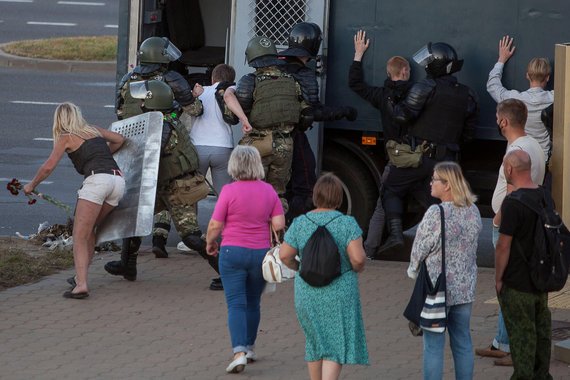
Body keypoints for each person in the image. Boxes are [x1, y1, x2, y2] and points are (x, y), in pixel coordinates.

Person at [104, 80, 220, 289]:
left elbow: (148, 157)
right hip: (166, 184)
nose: (140, 105)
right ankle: (127, 264)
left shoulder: (162, 128)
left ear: (153, 103)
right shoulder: (165, 120)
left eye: (144, 102)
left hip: (178, 186)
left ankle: (228, 274)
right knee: (135, 218)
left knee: (191, 237)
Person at [24, 102, 126, 299]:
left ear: (59, 120)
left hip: (97, 181)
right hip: (117, 181)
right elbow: (119, 139)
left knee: (79, 235)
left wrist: (31, 185)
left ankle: (81, 285)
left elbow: (48, 167)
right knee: (89, 232)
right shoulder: (93, 130)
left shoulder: (66, 137)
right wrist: (101, 154)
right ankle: (81, 276)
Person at [385, 42, 478, 254]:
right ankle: (441, 246)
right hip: (448, 162)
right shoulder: (469, 94)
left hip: (420, 157)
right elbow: (469, 134)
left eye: (429, 62)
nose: (426, 66)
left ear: (436, 65)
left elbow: (402, 116)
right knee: (440, 204)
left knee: (392, 187)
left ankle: (396, 235)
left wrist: (391, 100)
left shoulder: (425, 87)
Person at [476, 98, 545, 366]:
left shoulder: (516, 153)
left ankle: (515, 349)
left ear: (504, 121)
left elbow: (514, 191)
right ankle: (501, 343)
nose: (495, 121)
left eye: (496, 117)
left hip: (510, 225)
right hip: (524, 222)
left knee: (509, 287)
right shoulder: (532, 146)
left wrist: (497, 221)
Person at [279, 173, 369, 380]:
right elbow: (358, 259)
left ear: (316, 195)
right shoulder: (347, 223)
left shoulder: (300, 222)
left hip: (307, 290)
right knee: (335, 342)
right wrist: (355, 269)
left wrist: (299, 268)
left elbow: (285, 255)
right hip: (340, 290)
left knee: (314, 339)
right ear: (338, 197)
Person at [205, 146, 285, 374]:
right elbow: (278, 224)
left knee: (236, 304)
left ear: (234, 165)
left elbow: (215, 225)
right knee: (253, 302)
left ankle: (238, 352)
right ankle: (249, 348)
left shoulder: (229, 191)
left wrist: (211, 242)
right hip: (260, 254)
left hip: (232, 253)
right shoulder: (269, 191)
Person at [151, 63, 238, 265]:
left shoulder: (200, 92)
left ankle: (192, 237)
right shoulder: (230, 91)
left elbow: (181, 109)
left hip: (197, 149)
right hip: (223, 148)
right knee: (225, 197)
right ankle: (230, 239)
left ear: (213, 79)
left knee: (191, 192)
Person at [407, 161, 482, 380]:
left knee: (433, 346)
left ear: (447, 185)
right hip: (464, 289)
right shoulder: (473, 210)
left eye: (435, 179)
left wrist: (413, 270)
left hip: (437, 290)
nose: (431, 183)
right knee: (462, 342)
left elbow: (420, 247)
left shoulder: (436, 212)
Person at [279, 22, 357, 223]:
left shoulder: (274, 67)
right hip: (294, 138)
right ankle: (297, 229)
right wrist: (344, 111)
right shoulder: (304, 74)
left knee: (277, 188)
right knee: (305, 187)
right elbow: (314, 112)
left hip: (267, 138)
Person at [224, 35, 309, 214]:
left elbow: (232, 116)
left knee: (252, 192)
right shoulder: (292, 80)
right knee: (278, 193)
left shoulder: (250, 81)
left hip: (260, 146)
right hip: (286, 145)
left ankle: (253, 235)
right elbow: (304, 111)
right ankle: (278, 235)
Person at [348, 29, 412, 258]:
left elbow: (355, 83)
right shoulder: (416, 94)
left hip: (394, 158)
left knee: (382, 204)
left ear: (388, 72)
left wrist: (358, 55)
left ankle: (370, 250)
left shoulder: (380, 96)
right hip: (419, 156)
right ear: (404, 71)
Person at [495, 149, 553, 379]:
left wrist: (499, 278)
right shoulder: (544, 196)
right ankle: (542, 375)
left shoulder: (512, 203)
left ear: (509, 169)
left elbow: (503, 246)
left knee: (522, 336)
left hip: (517, 282)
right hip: (541, 279)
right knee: (542, 332)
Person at [486, 36, 553, 162]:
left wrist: (501, 60)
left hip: (516, 157)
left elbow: (492, 85)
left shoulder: (514, 100)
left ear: (527, 76)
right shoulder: (556, 99)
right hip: (541, 159)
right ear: (547, 78)